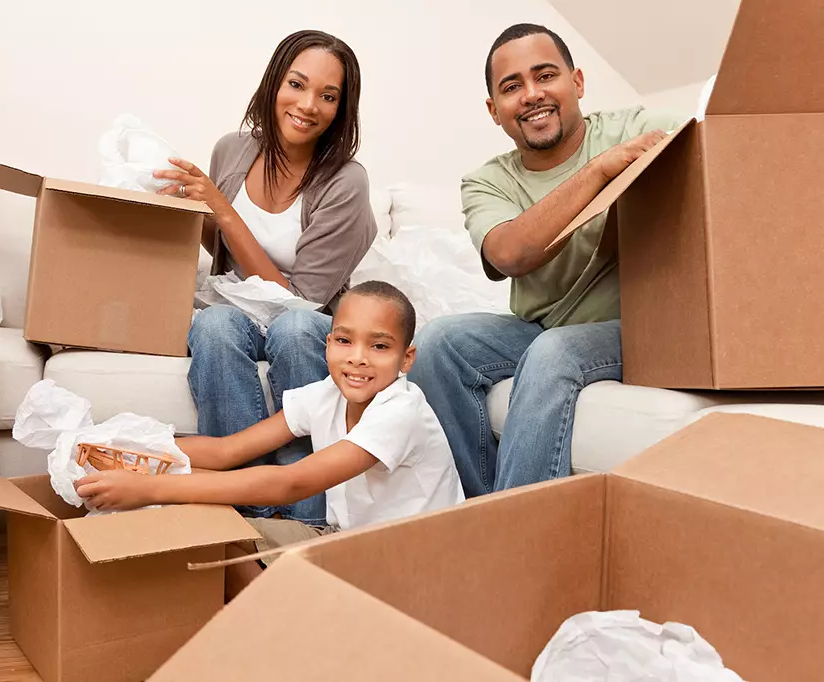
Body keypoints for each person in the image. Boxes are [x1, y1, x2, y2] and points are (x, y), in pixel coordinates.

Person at [408, 24, 688, 497]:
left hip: (632, 327)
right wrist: (598, 171)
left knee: (553, 353)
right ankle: (481, 510)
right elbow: (509, 253)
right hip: (541, 324)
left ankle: (512, 538)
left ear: (576, 83)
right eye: (512, 87)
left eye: (545, 76)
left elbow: (725, 150)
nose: (532, 95)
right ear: (494, 110)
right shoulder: (486, 182)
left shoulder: (635, 128)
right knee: (439, 343)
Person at [75, 281, 465, 595]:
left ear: (406, 359)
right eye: (344, 341)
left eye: (379, 346)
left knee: (194, 516)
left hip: (410, 568)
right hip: (346, 540)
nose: (358, 358)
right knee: (211, 531)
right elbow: (226, 450)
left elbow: (289, 483)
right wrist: (131, 448)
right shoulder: (327, 393)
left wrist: (150, 489)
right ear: (328, 344)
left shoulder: (401, 411)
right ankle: (276, 624)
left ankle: (282, 632)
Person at [152, 30, 378, 526]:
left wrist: (224, 213)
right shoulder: (232, 150)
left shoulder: (346, 181)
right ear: (274, 83)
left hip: (306, 317)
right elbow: (218, 251)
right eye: (296, 84)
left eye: (328, 96)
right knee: (212, 327)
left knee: (294, 333)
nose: (308, 104)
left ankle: (308, 516)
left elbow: (303, 301)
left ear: (341, 110)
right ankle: (244, 512)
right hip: (234, 308)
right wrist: (184, 213)